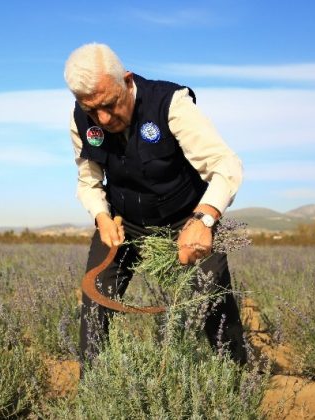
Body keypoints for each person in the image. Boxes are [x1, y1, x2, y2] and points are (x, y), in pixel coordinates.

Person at [64, 43, 247, 370]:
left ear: (127, 81)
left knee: (211, 300)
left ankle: (237, 382)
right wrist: (101, 217)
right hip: (124, 224)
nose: (103, 119)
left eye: (109, 104)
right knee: (96, 302)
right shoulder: (80, 120)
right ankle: (94, 392)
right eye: (92, 110)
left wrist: (204, 220)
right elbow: (88, 179)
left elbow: (226, 165)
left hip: (184, 219)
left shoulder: (170, 104)